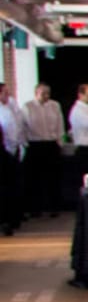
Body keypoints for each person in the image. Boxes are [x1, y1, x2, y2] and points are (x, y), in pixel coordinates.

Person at [22, 83, 63, 216]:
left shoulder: (55, 105)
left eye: (48, 93)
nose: (46, 96)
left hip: (51, 144)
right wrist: (25, 144)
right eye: (43, 93)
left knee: (54, 178)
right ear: (36, 93)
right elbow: (23, 127)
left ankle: (54, 207)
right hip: (35, 145)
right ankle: (35, 208)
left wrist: (59, 141)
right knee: (35, 179)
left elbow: (60, 125)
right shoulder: (28, 106)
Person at [0, 86, 24, 235]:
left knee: (12, 187)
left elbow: (17, 128)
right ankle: (6, 221)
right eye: (5, 93)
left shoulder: (11, 107)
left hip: (12, 151)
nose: (8, 95)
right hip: (4, 152)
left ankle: (13, 219)